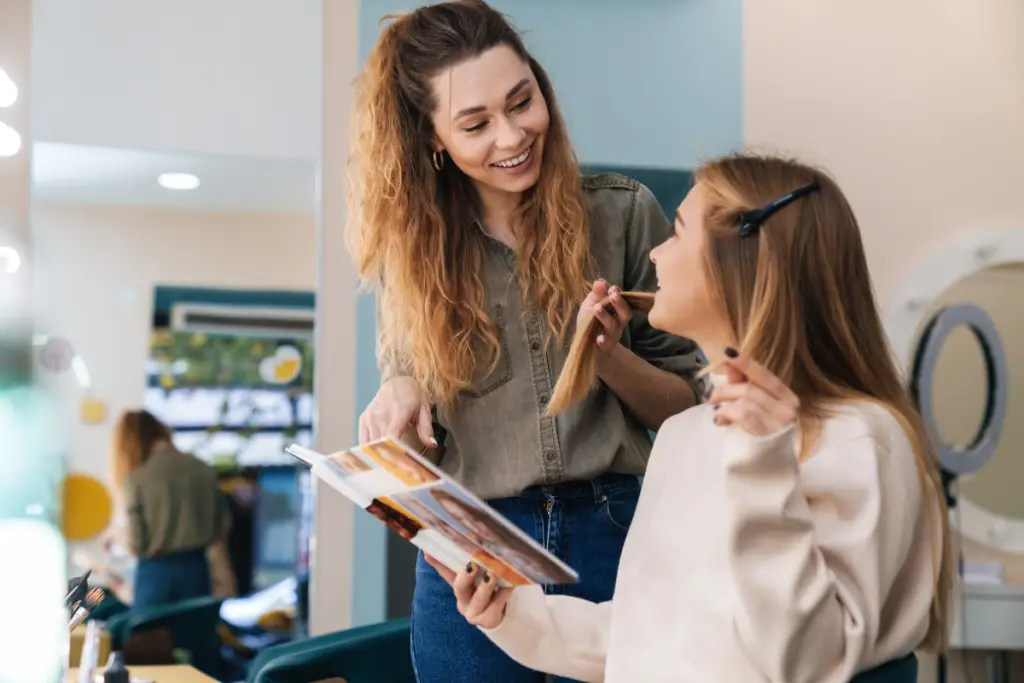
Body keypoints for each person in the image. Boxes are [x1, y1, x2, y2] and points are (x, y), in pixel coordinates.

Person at [431, 154, 954, 682]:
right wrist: (511, 611)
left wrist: (763, 470)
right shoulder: (686, 433)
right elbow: (645, 639)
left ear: (741, 265)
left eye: (677, 234)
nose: (656, 252)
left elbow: (809, 661)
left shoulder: (857, 438)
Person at [347, 1, 703, 680]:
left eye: (522, 101)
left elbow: (685, 408)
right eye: (476, 124)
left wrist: (606, 356)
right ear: (432, 142)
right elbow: (407, 380)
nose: (513, 135)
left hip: (616, 535)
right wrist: (399, 394)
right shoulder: (410, 257)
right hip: (474, 556)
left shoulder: (624, 215)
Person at [109, 409, 231, 610]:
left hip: (155, 577)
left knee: (149, 640)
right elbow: (221, 529)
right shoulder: (203, 469)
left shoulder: (137, 479)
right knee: (194, 638)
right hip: (197, 572)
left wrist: (115, 534)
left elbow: (138, 545)